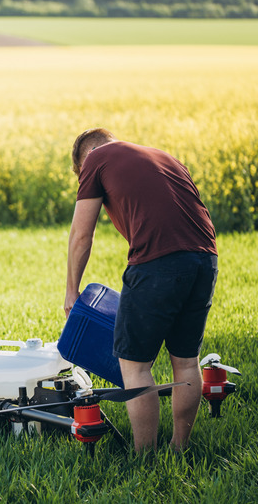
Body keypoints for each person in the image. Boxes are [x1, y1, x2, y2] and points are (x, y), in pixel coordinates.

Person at [63, 128, 218, 452]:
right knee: (187, 362)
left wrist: (71, 291)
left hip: (157, 263)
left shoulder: (95, 159)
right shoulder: (165, 157)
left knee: (135, 366)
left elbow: (81, 235)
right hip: (205, 260)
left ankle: (144, 456)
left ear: (84, 159)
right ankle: (179, 448)